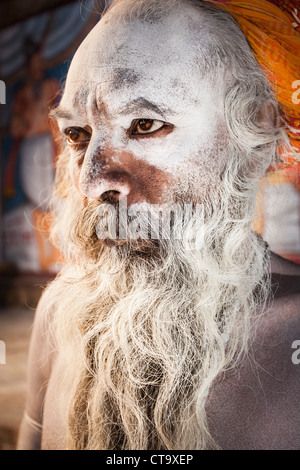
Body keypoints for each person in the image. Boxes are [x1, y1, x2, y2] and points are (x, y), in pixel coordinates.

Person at [17, 0, 300, 450]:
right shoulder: (59, 313)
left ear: (257, 136)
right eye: (77, 135)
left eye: (145, 125)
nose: (91, 182)